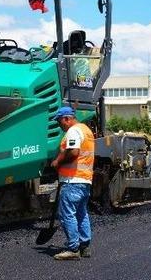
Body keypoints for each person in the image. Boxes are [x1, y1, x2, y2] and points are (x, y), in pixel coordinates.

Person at [50, 106, 95, 260]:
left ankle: (73, 249)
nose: (59, 125)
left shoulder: (73, 131)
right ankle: (85, 246)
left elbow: (73, 151)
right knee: (82, 214)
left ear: (67, 119)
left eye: (59, 121)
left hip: (72, 180)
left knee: (67, 214)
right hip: (85, 180)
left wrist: (57, 161)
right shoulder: (86, 131)